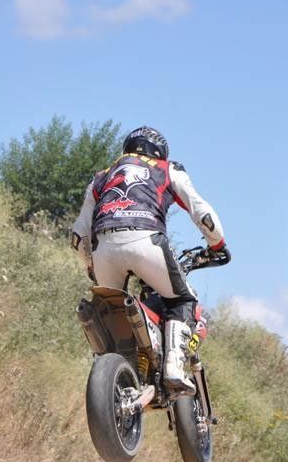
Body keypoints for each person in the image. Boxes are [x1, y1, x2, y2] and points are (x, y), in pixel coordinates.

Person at [70, 126, 228, 395]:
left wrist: (90, 264)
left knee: (110, 312)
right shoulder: (168, 169)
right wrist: (217, 244)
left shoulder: (102, 176)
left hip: (103, 247)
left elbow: (78, 234)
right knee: (183, 300)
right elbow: (202, 212)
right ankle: (174, 368)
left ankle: (117, 377)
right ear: (160, 152)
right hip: (147, 240)